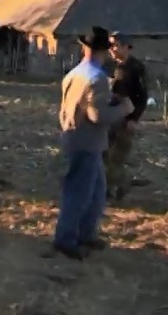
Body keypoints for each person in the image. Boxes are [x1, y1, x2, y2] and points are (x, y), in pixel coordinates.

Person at [53, 26, 134, 260]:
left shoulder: (74, 73)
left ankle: (86, 234)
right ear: (105, 51)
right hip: (86, 141)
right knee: (79, 192)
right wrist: (123, 109)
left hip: (74, 135)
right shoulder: (97, 78)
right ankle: (65, 240)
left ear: (84, 47)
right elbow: (97, 116)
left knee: (97, 192)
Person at [104, 31, 149, 201]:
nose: (112, 49)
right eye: (110, 45)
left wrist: (133, 119)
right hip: (108, 116)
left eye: (115, 45)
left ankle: (117, 188)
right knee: (103, 154)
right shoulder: (109, 66)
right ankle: (106, 186)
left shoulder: (137, 68)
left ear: (125, 46)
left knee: (118, 156)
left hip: (125, 118)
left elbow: (142, 96)